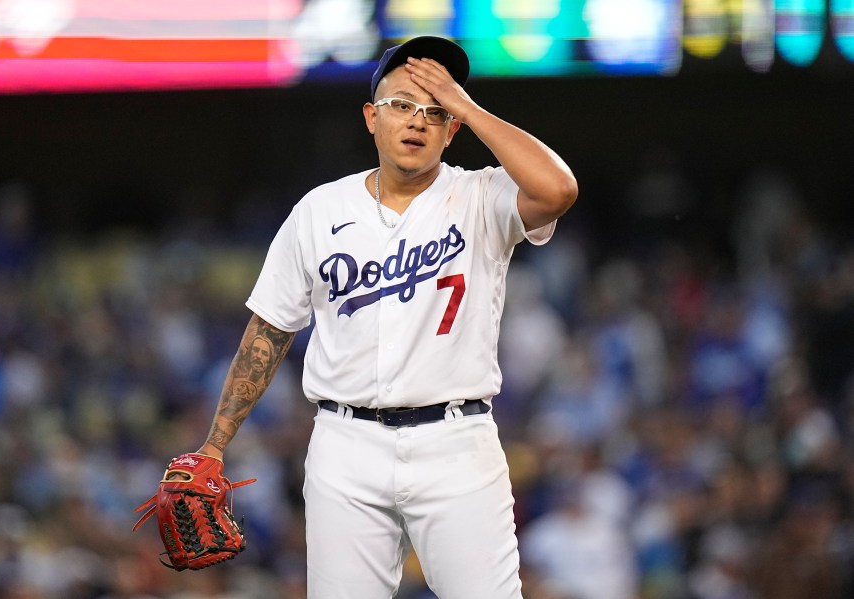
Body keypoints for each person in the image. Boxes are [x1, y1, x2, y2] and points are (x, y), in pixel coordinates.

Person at [190, 35, 578, 597]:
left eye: (435, 111)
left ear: (452, 130)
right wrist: (214, 445)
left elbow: (559, 188)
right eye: (402, 104)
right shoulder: (320, 210)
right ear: (371, 118)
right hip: (345, 446)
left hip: (456, 442)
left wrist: (464, 103)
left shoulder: (482, 196)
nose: (418, 121)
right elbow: (269, 330)